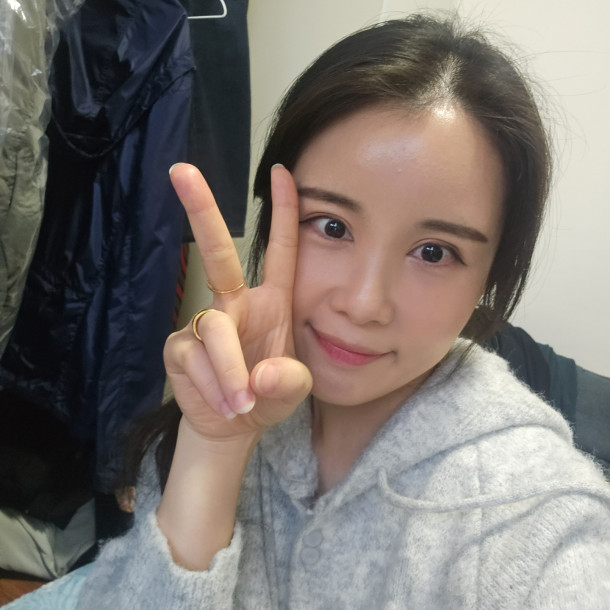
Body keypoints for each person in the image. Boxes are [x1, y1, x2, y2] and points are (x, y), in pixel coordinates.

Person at [8, 13, 610, 609]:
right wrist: (214, 448)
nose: (363, 303)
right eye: (332, 226)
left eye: (434, 252)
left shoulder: (530, 512)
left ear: (490, 275)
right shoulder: (226, 386)